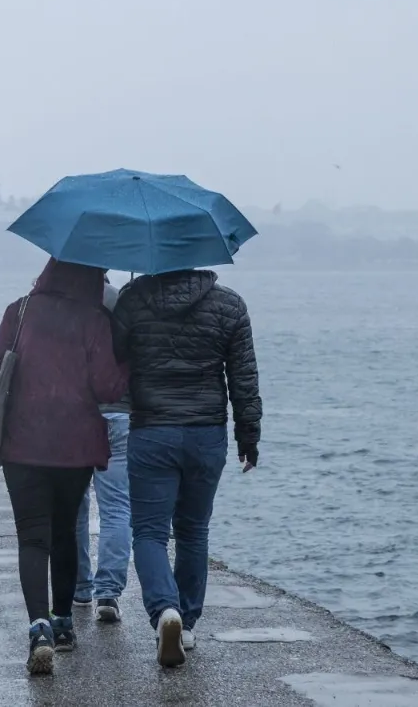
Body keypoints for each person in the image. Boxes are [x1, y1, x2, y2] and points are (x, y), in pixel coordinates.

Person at [0, 259, 126, 675]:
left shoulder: (20, 310)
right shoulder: (94, 319)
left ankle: (38, 627)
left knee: (32, 537)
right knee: (64, 532)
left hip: (23, 444)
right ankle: (63, 625)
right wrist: (128, 360)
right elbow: (107, 387)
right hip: (75, 447)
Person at [112, 268, 262, 668]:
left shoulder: (133, 298)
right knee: (194, 530)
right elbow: (243, 377)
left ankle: (165, 611)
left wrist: (132, 303)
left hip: (152, 431)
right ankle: (188, 622)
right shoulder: (229, 304)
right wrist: (248, 437)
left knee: (149, 531)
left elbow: (114, 358)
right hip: (205, 433)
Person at [73, 275, 133, 623]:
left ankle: (81, 586)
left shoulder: (62, 304)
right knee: (116, 508)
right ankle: (107, 593)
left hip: (76, 416)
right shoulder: (122, 302)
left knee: (75, 506)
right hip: (120, 412)